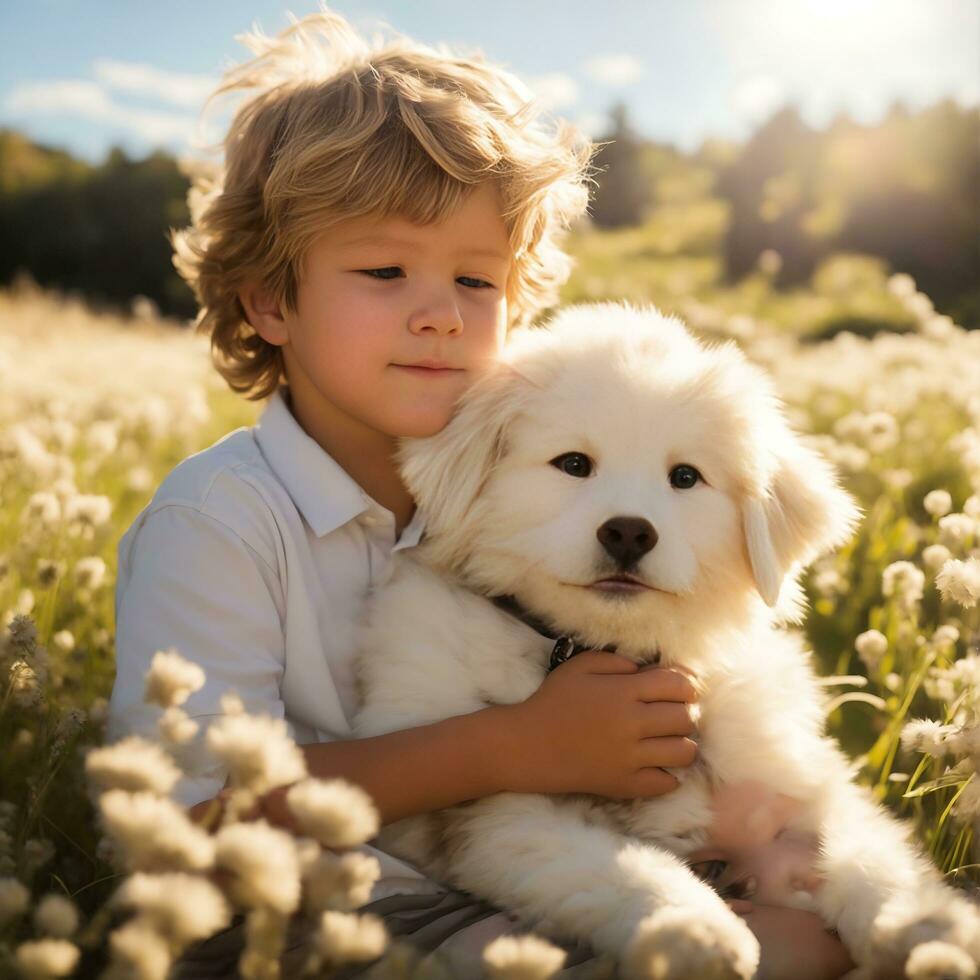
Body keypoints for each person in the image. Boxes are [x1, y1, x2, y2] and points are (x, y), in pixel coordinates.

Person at [107, 7, 852, 977]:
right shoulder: (216, 522)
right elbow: (190, 810)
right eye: (383, 269)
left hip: (555, 863)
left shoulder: (530, 482)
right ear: (270, 300)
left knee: (817, 934)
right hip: (310, 916)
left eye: (475, 279)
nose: (436, 315)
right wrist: (513, 746)